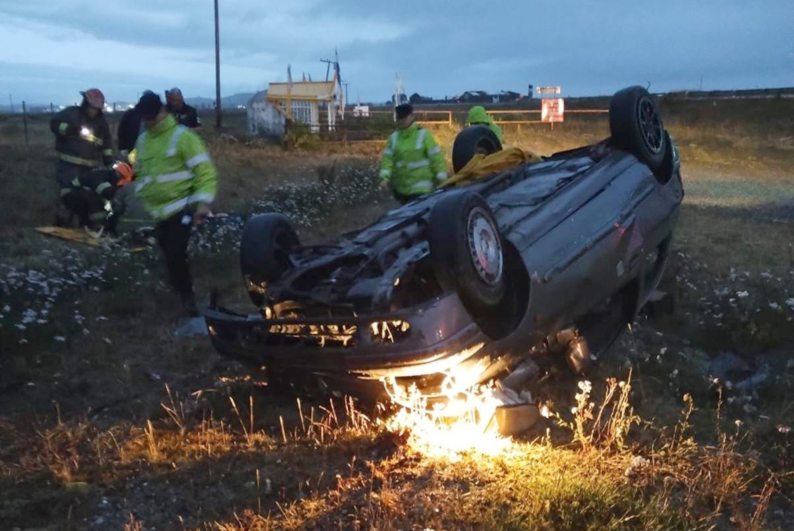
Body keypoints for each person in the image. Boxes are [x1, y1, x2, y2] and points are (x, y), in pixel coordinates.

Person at [133, 92, 217, 316]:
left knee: (175, 253)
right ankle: (178, 296)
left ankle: (188, 303)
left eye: (152, 116)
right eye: (145, 117)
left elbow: (205, 172)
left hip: (182, 208)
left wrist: (202, 203)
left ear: (162, 111)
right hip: (155, 212)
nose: (149, 121)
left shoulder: (183, 137)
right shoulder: (142, 141)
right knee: (167, 255)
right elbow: (139, 172)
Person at [50, 88, 114, 227]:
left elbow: (107, 144)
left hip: (90, 168)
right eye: (92, 108)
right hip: (69, 166)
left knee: (90, 196)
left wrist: (109, 161)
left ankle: (88, 225)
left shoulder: (101, 123)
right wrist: (70, 129)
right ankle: (62, 223)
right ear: (85, 104)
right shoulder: (71, 114)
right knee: (68, 194)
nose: (94, 111)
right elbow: (54, 124)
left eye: (97, 109)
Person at [378, 104, 448, 204]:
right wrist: (384, 178)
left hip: (422, 190)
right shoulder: (393, 138)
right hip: (401, 191)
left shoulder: (424, 135)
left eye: (404, 117)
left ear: (411, 116)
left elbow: (436, 158)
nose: (401, 121)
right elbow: (387, 160)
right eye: (399, 118)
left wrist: (441, 177)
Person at [117, 90, 157, 157]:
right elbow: (122, 131)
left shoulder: (157, 116)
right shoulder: (130, 114)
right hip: (134, 149)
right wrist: (123, 147)